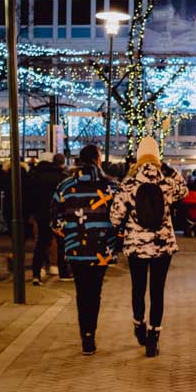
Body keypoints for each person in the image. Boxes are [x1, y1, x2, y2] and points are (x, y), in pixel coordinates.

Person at [110, 136, 185, 357]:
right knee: (157, 290)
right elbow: (184, 190)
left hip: (136, 246)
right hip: (163, 245)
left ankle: (138, 324)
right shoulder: (167, 183)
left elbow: (115, 217)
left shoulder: (129, 184)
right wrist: (169, 170)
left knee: (138, 287)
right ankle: (154, 337)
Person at [52, 145, 119, 355]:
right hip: (102, 248)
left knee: (82, 292)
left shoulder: (65, 186)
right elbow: (119, 218)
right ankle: (91, 333)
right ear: (98, 160)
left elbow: (55, 221)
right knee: (95, 291)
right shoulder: (111, 186)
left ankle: (85, 336)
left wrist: (70, 234)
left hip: (76, 249)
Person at [28, 153, 67, 282]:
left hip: (41, 213)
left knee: (42, 242)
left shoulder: (35, 176)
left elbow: (31, 196)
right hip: (57, 213)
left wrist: (33, 212)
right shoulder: (61, 177)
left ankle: (36, 273)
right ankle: (63, 271)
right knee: (61, 242)